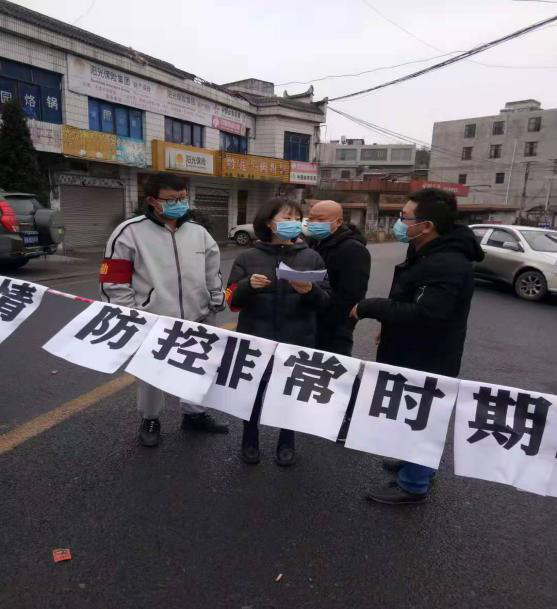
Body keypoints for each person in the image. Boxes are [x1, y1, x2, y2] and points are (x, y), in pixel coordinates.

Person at [351, 187, 485, 505]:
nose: (400, 222)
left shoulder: (447, 263)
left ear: (426, 226)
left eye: (405, 217)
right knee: (412, 412)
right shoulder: (426, 250)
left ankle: (414, 484)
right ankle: (413, 461)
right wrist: (388, 326)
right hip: (411, 347)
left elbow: (427, 315)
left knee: (423, 415)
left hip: (429, 355)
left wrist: (370, 307)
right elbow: (409, 298)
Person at [100, 173, 229, 447]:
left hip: (198, 316)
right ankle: (150, 419)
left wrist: (215, 301)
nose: (179, 204)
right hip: (153, 320)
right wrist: (132, 314)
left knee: (198, 368)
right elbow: (114, 280)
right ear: (151, 200)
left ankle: (194, 414)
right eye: (171, 199)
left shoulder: (198, 233)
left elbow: (212, 271)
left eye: (183, 198)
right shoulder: (129, 232)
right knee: (151, 374)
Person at [226, 197, 330, 467]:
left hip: (297, 339)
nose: (293, 223)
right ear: (269, 223)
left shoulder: (311, 257)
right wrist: (248, 286)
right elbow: (231, 299)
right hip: (256, 339)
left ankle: (287, 442)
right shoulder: (248, 257)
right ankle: (250, 439)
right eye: (286, 218)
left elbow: (325, 301)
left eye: (297, 218)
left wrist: (310, 291)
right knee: (253, 393)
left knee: (290, 393)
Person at [306, 200, 371, 357]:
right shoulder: (313, 243)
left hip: (333, 330)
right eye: (311, 219)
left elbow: (352, 296)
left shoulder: (353, 249)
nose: (314, 223)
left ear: (339, 221)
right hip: (308, 323)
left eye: (320, 220)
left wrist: (340, 326)